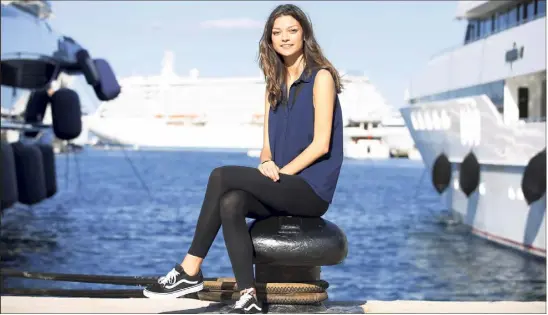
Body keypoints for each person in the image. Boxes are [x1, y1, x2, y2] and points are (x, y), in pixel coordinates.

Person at [143, 3, 344, 314]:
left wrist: (282, 174)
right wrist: (266, 163)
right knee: (231, 201)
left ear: (305, 35)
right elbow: (266, 146)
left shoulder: (321, 78)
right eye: (277, 33)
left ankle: (190, 269)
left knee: (220, 175)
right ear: (269, 39)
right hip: (281, 183)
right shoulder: (273, 84)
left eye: (292, 31)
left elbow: (321, 145)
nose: (285, 38)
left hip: (310, 190)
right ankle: (247, 295)